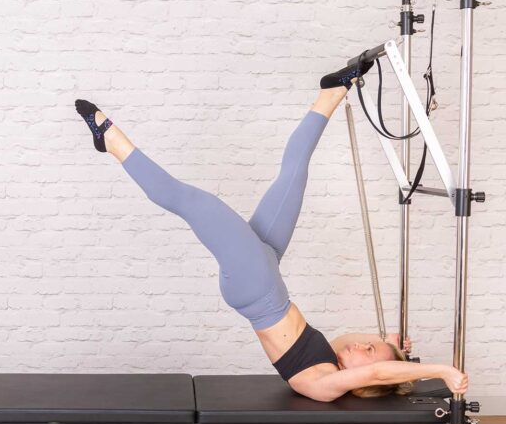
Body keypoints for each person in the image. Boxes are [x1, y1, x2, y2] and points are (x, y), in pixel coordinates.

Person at [75, 58, 469, 402]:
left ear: (366, 383)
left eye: (368, 353)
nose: (363, 346)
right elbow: (364, 351)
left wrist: (440, 371)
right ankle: (331, 93)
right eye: (370, 346)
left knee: (190, 201)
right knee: (294, 174)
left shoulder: (327, 384)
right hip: (267, 272)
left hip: (257, 286)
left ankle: (112, 141)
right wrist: (390, 345)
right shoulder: (333, 356)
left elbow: (379, 372)